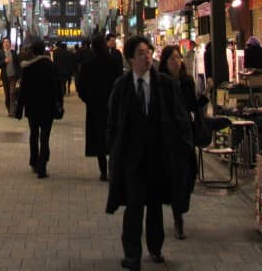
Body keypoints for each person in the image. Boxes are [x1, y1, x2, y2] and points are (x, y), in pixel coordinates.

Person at [106, 35, 193, 270]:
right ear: (131, 59)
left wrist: (183, 147)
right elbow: (113, 123)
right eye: (141, 53)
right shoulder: (121, 87)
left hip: (158, 155)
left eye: (149, 52)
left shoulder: (165, 84)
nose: (147, 57)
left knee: (154, 206)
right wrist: (114, 150)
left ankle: (155, 247)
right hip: (132, 158)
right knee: (134, 207)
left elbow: (179, 117)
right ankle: (132, 253)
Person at [157, 45, 199, 240]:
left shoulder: (187, 82)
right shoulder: (159, 84)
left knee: (189, 176)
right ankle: (177, 219)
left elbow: (193, 106)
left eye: (178, 58)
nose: (176, 61)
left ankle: (180, 206)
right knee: (175, 178)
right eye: (172, 58)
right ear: (165, 62)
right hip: (167, 138)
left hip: (185, 135)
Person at [76, 32, 122, 181]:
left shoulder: (88, 64)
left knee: (99, 137)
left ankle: (103, 170)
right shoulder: (114, 62)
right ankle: (113, 167)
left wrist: (87, 99)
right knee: (113, 134)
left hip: (95, 106)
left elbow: (80, 86)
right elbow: (120, 82)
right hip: (112, 105)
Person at [16, 38, 62, 178]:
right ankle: (42, 165)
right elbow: (57, 88)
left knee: (34, 134)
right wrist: (59, 104)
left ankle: (34, 162)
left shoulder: (27, 68)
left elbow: (23, 90)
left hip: (32, 106)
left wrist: (19, 109)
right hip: (47, 106)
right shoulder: (51, 66)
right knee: (45, 137)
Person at [0, 38, 20, 117]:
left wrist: (19, 76)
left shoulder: (13, 53)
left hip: (13, 76)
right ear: (3, 44)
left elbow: (18, 64)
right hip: (5, 77)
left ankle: (12, 111)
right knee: (7, 96)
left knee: (12, 93)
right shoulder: (1, 54)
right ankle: (9, 110)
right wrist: (4, 61)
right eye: (5, 42)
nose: (6, 43)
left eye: (8, 42)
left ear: (10, 44)